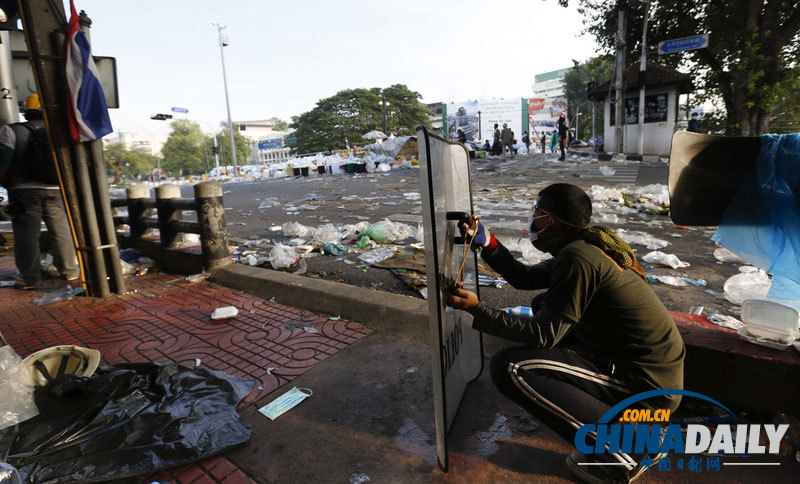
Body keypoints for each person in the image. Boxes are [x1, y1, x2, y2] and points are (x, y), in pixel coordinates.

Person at [447, 183, 685, 484]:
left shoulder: (579, 258)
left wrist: (479, 310)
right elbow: (524, 277)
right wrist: (488, 243)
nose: (532, 218)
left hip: (646, 386)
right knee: (542, 303)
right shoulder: (582, 246)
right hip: (642, 368)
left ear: (551, 220)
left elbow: (543, 335)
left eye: (537, 212)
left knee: (511, 368)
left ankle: (629, 453)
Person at [0, 94, 79, 289]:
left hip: (23, 189)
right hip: (56, 187)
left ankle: (29, 277)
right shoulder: (60, 132)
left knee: (27, 233)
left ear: (26, 111)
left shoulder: (11, 130)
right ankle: (69, 271)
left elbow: (3, 161)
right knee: (60, 229)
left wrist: (3, 181)